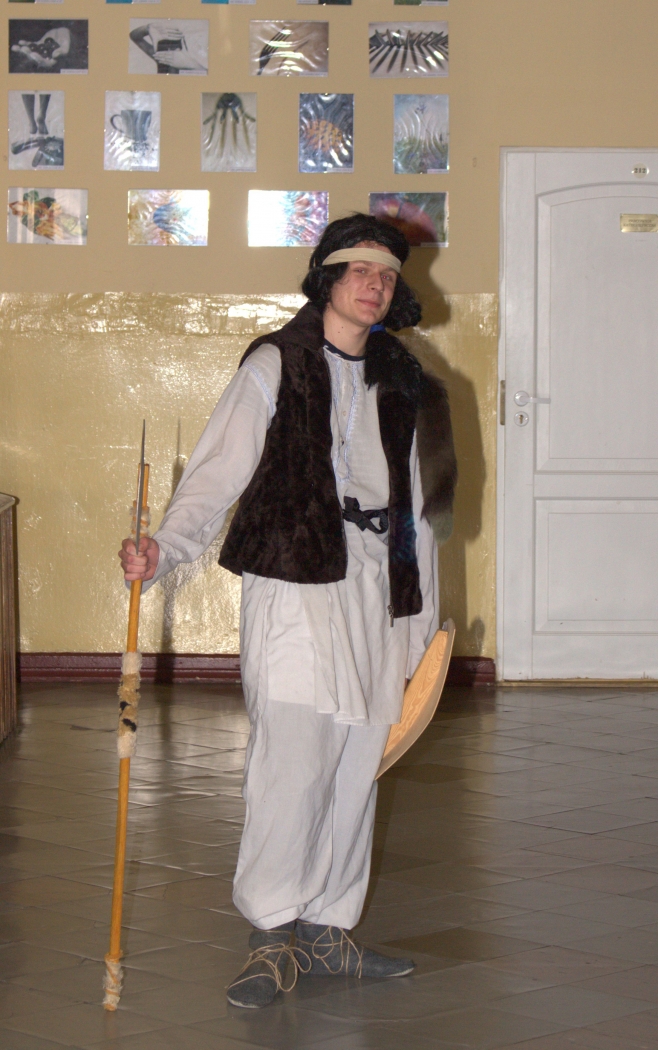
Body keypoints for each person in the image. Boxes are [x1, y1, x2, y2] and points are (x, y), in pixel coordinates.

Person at [119, 213, 457, 1008]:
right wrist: (165, 549)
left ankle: (329, 929)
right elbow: (217, 472)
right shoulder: (276, 362)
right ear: (328, 278)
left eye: (387, 276)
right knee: (293, 763)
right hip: (295, 585)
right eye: (360, 271)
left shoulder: (406, 380)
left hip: (378, 588)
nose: (375, 286)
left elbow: (423, 511)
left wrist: (423, 625)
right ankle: (272, 935)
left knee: (357, 766)